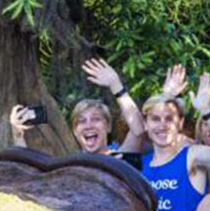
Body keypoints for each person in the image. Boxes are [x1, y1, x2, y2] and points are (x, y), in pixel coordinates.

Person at [139, 73, 210, 211]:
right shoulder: (139, 163)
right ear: (145, 124)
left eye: (169, 119)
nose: (162, 125)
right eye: (155, 119)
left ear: (180, 123)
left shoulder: (192, 156)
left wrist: (206, 111)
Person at [9, 58, 145, 154]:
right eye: (81, 121)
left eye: (96, 119)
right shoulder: (71, 166)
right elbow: (26, 171)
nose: (88, 125)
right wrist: (18, 135)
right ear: (75, 131)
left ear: (108, 126)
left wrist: (116, 85)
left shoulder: (120, 157)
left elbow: (138, 130)